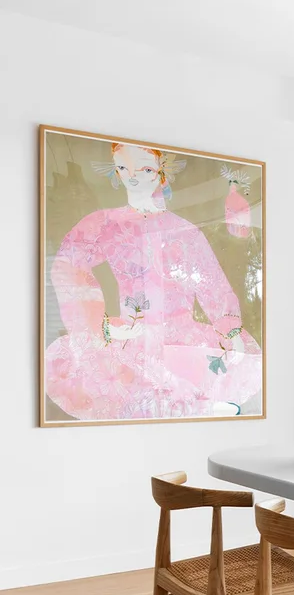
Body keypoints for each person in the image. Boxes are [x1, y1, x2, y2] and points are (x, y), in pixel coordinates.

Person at [45, 143, 262, 420]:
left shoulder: (185, 231)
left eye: (145, 169)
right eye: (124, 168)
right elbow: (67, 267)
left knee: (188, 396)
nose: (133, 177)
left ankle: (197, 405)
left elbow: (211, 281)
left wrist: (228, 328)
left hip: (181, 335)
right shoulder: (102, 223)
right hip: (131, 332)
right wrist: (102, 324)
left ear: (161, 174)